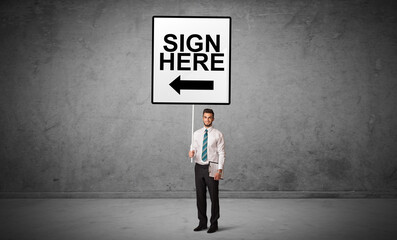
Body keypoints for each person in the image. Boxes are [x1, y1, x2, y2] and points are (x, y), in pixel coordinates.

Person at [188, 108, 225, 234]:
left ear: (213, 119)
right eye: (205, 117)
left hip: (212, 167)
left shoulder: (218, 134)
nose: (207, 119)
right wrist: (191, 153)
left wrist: (219, 170)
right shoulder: (196, 133)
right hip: (199, 167)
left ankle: (214, 223)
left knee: (214, 197)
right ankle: (202, 223)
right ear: (202, 118)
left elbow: (221, 153)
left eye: (209, 117)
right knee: (200, 196)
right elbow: (193, 147)